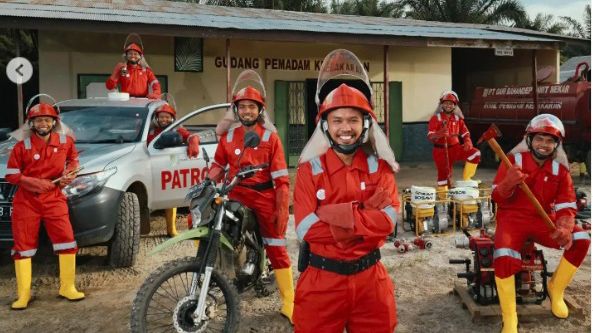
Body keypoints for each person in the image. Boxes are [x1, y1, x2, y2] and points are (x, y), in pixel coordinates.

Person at [293, 50, 399, 332]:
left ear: (365, 124)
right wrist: (365, 215)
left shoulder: (380, 167)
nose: (345, 128)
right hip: (321, 283)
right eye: (337, 120)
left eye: (353, 120)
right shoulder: (309, 170)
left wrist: (333, 215)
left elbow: (389, 222)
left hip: (370, 283)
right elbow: (306, 229)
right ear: (325, 126)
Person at [491, 114, 590, 333]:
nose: (544, 145)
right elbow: (496, 197)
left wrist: (564, 226)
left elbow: (566, 203)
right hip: (512, 219)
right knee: (504, 256)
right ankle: (510, 318)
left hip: (543, 219)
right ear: (529, 139)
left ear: (557, 144)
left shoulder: (561, 169)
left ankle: (556, 288)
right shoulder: (512, 161)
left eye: (550, 140)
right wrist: (508, 183)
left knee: (581, 238)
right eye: (539, 139)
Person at [208, 75, 294, 323]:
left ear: (259, 110)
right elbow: (217, 165)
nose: (246, 111)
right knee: (214, 230)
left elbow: (281, 179)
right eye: (242, 106)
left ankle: (289, 299)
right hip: (236, 193)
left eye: (251, 107)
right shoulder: (229, 136)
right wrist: (207, 182)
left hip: (265, 196)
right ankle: (221, 281)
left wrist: (281, 209)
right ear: (236, 110)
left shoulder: (270, 138)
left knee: (276, 245)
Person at [5, 97, 84, 309]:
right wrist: (33, 182)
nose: (43, 124)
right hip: (27, 201)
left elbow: (74, 161)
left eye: (47, 120)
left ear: (54, 122)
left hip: (55, 197)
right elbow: (12, 174)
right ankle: (23, 295)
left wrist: (69, 173)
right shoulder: (22, 146)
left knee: (66, 239)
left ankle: (67, 287)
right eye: (38, 120)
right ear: (31, 123)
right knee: (23, 246)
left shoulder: (66, 142)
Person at [147, 102, 200, 236]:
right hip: (152, 167)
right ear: (156, 118)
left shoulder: (177, 129)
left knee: (171, 198)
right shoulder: (150, 130)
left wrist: (193, 142)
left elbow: (191, 136)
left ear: (172, 118)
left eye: (167, 117)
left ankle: (172, 230)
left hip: (170, 167)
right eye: (162, 117)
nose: (164, 120)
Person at [427, 90, 480, 194]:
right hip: (440, 151)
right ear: (442, 104)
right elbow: (430, 136)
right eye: (446, 103)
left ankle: (467, 179)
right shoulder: (435, 118)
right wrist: (439, 134)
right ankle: (444, 200)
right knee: (444, 176)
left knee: (475, 153)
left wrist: (468, 141)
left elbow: (465, 133)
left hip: (455, 148)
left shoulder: (457, 118)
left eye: (451, 103)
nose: (448, 105)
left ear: (455, 106)